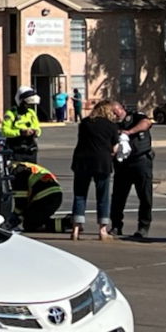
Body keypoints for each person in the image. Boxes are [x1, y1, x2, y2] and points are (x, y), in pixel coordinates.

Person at [70, 99, 121, 241]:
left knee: (80, 194)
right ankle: (102, 230)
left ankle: (76, 228)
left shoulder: (85, 123)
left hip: (81, 160)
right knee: (102, 196)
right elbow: (114, 148)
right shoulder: (111, 125)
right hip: (101, 161)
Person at [109, 102, 154, 239]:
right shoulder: (111, 125)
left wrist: (129, 132)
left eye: (116, 111)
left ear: (122, 108)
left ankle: (143, 227)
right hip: (122, 163)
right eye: (112, 112)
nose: (115, 114)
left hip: (141, 160)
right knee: (118, 197)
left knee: (145, 196)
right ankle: (116, 225)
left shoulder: (135, 117)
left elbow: (146, 123)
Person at [8, 161, 64, 232]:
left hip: (46, 197)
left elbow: (21, 202)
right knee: (35, 219)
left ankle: (67, 223)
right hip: (54, 195)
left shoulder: (19, 174)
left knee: (29, 224)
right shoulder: (25, 166)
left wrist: (14, 216)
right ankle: (65, 223)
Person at [2, 86, 42, 162]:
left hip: (30, 149)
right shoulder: (11, 113)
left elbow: (38, 127)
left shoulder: (31, 113)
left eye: (31, 105)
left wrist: (36, 132)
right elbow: (5, 131)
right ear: (21, 102)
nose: (29, 107)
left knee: (32, 169)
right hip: (16, 149)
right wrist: (20, 132)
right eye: (27, 104)